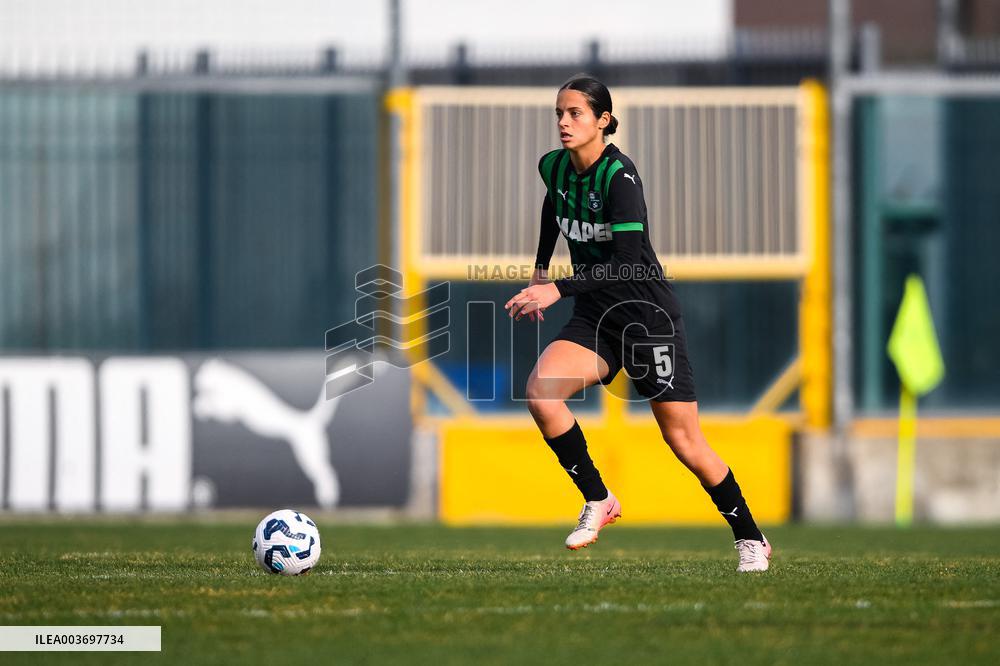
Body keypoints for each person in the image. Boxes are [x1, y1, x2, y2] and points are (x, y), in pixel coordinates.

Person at [503, 74, 771, 573]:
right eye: (559, 113)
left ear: (603, 121)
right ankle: (600, 498)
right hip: (595, 317)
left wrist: (556, 287)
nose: (563, 122)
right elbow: (553, 204)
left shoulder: (619, 178)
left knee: (684, 441)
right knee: (541, 393)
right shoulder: (553, 166)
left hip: (646, 318)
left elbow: (627, 261)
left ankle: (750, 537)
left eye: (575, 114)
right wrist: (541, 267)